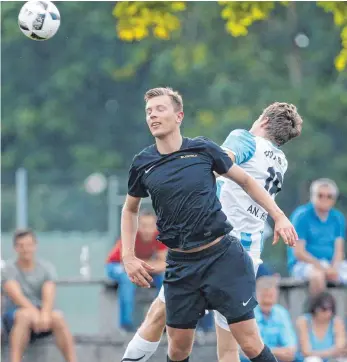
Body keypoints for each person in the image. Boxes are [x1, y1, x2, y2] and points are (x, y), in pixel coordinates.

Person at [120, 86, 298, 362]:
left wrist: (191, 170)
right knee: (219, 348)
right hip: (245, 251)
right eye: (149, 111)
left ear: (263, 121)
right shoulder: (281, 161)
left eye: (160, 109)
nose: (153, 115)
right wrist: (278, 215)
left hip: (224, 250)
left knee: (158, 318)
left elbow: (224, 161)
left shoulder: (243, 139)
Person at [2, 229, 76, 362]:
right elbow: (15, 295)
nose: (25, 249)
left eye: (29, 245)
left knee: (58, 317)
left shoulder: (46, 268)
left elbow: (49, 291)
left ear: (35, 245)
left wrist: (45, 313)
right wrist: (33, 312)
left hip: (41, 314)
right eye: (21, 246)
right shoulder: (8, 269)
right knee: (25, 315)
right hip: (14, 316)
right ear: (15, 248)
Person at [105, 209, 167, 331]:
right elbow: (127, 264)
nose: (147, 230)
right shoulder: (130, 235)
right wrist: (151, 265)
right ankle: (126, 326)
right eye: (144, 226)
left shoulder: (159, 237)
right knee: (127, 279)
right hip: (116, 265)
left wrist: (147, 265)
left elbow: (164, 264)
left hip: (141, 266)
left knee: (166, 278)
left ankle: (165, 320)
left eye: (150, 226)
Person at [288, 178, 347, 295]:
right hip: (305, 264)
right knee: (317, 276)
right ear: (312, 196)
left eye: (329, 196)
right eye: (320, 195)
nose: (324, 199)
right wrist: (324, 268)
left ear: (334, 199)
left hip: (331, 263)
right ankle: (319, 310)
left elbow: (339, 251)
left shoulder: (338, 218)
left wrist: (333, 269)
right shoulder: (301, 216)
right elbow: (299, 252)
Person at [240, 276, 297, 362]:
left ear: (276, 296)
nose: (267, 300)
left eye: (270, 296)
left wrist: (259, 351)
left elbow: (291, 351)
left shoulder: (281, 313)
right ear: (255, 295)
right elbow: (244, 351)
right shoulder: (247, 314)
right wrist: (279, 351)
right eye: (264, 296)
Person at [296, 292, 346, 362]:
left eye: (331, 309)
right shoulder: (304, 321)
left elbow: (340, 347)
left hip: (331, 360)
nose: (328, 312)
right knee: (313, 360)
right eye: (324, 309)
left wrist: (318, 353)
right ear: (315, 308)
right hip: (308, 360)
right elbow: (306, 352)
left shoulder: (336, 322)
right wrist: (331, 352)